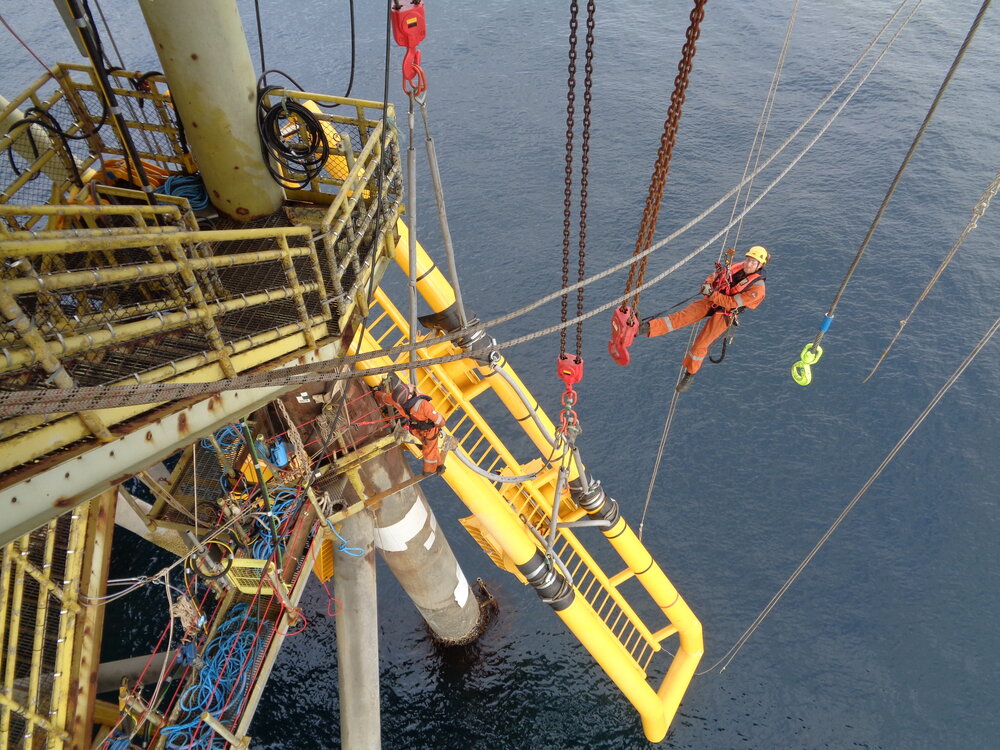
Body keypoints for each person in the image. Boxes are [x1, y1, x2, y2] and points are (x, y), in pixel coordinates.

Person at [638, 245, 768, 393]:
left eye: (753, 262)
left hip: (726, 313)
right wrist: (707, 284)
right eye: (748, 259)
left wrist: (711, 293)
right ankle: (645, 328)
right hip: (713, 299)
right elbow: (716, 275)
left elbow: (731, 303)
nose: (748, 264)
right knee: (681, 317)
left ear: (760, 265)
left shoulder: (758, 289)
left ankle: (690, 374)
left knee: (701, 344)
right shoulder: (736, 267)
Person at [374, 374, 448, 474]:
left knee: (432, 447)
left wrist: (376, 393)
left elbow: (384, 397)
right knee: (429, 450)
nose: (410, 385)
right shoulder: (423, 405)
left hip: (415, 430)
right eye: (408, 388)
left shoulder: (396, 401)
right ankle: (429, 470)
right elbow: (440, 422)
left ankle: (439, 465)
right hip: (429, 431)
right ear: (409, 396)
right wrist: (439, 425)